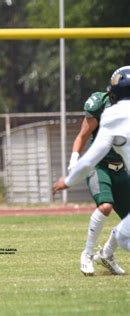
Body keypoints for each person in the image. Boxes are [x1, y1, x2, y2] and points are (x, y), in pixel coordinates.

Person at [54, 65, 130, 275]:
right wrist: (73, 163)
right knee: (105, 206)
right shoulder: (103, 106)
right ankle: (87, 254)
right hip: (100, 165)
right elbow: (82, 136)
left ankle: (106, 254)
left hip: (121, 167)